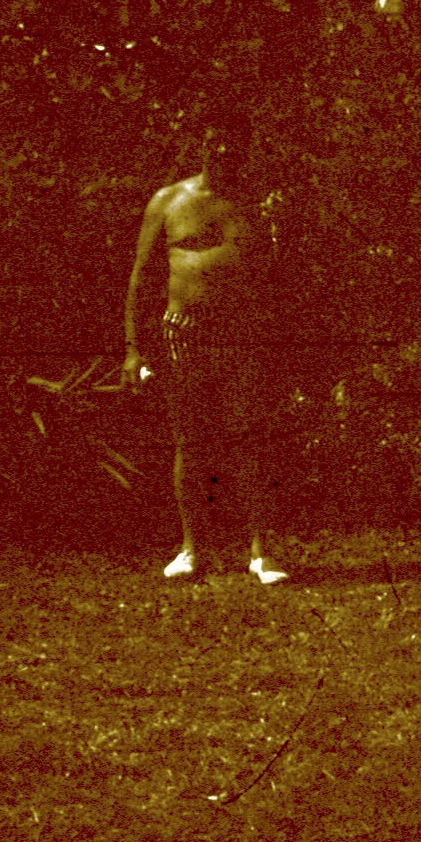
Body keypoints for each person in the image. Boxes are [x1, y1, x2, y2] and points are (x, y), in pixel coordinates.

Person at [121, 111, 287, 584]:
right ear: (202, 145)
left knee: (248, 440)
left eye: (234, 143)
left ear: (247, 148)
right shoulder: (169, 200)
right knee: (190, 442)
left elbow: (282, 275)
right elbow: (142, 276)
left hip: (243, 333)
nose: (224, 151)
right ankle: (192, 548)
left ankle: (262, 552)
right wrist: (134, 348)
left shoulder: (260, 204)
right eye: (215, 142)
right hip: (183, 332)